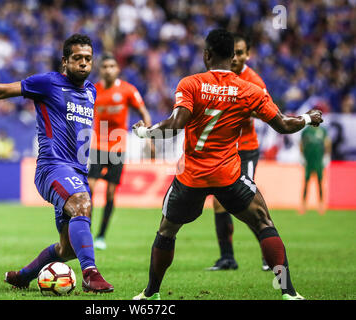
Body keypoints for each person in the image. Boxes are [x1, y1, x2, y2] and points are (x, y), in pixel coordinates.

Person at [132, 29, 323, 300]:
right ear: (233, 56)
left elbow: (175, 124)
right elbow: (282, 124)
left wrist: (144, 132)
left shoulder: (190, 84)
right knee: (263, 222)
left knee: (166, 230)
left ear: (206, 55)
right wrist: (307, 118)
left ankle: (151, 293)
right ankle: (289, 292)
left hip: (191, 176)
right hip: (228, 174)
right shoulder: (249, 89)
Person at [0, 34, 114, 293]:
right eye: (77, 59)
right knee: (82, 204)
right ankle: (90, 274)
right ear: (65, 61)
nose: (83, 63)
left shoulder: (91, 91)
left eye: (88, 59)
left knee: (69, 248)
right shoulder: (48, 83)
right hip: (53, 168)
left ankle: (23, 276)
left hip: (78, 173)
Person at [207, 34, 270, 272]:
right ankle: (227, 258)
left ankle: (267, 254)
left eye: (241, 52)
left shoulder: (253, 80)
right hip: (223, 150)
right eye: (233, 52)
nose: (236, 57)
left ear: (248, 55)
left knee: (248, 202)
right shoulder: (219, 77)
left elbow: (267, 109)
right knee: (219, 204)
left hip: (245, 149)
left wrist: (239, 105)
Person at [88, 53, 152, 250]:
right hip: (97, 145)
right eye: (105, 66)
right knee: (88, 189)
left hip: (118, 147)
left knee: (110, 193)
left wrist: (148, 138)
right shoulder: (93, 90)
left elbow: (143, 112)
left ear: (117, 69)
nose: (108, 69)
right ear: (100, 69)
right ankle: (86, 233)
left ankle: (101, 236)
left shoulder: (127, 90)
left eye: (112, 66)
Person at [299, 125, 331, 215]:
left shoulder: (322, 130)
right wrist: (301, 157)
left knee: (320, 182)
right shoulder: (306, 131)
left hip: (318, 160)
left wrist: (327, 156)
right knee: (306, 182)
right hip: (308, 160)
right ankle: (303, 205)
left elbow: (328, 143)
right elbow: (301, 143)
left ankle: (321, 204)